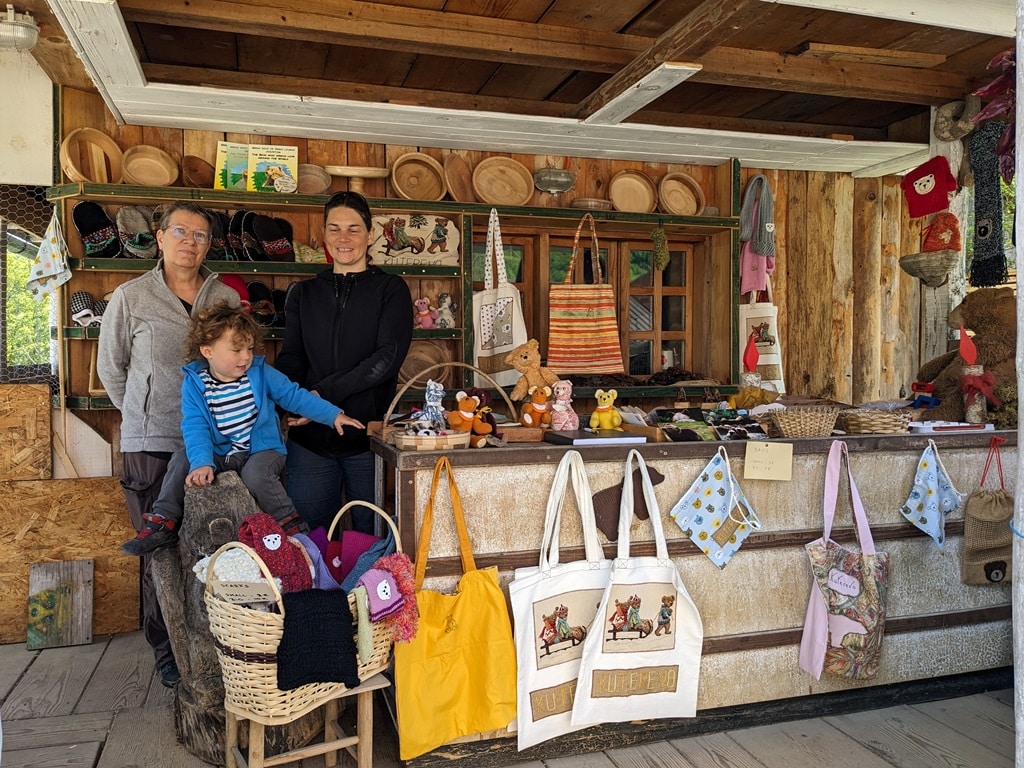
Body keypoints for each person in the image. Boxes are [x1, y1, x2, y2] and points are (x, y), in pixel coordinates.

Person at [97, 201, 240, 689]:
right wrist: (142, 413)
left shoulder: (224, 298)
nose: (190, 242)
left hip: (212, 446)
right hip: (152, 446)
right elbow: (112, 370)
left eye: (200, 235)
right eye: (180, 231)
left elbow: (235, 362)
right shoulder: (130, 297)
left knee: (210, 547)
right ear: (159, 238)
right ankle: (168, 651)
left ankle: (213, 645)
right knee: (160, 552)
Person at [120, 302, 366, 556]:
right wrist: (202, 462)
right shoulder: (196, 384)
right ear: (207, 351)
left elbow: (295, 396)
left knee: (256, 475)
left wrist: (332, 415)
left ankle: (290, 523)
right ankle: (163, 521)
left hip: (260, 450)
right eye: (236, 350)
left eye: (249, 348)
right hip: (220, 451)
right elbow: (196, 425)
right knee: (181, 459)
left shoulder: (260, 374)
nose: (246, 357)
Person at [276, 191, 413, 533]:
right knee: (311, 539)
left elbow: (386, 359)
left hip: (368, 440)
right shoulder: (303, 294)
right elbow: (292, 356)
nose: (343, 238)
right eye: (334, 229)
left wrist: (319, 396)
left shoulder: (390, 290)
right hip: (310, 442)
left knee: (371, 536)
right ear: (324, 235)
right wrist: (289, 406)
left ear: (370, 235)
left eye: (353, 229)